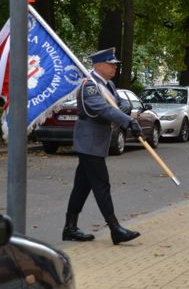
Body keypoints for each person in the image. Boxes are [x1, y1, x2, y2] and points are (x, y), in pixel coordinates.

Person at [63, 48, 143, 245]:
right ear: (98, 65)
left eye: (115, 63)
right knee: (101, 184)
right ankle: (115, 229)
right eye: (111, 63)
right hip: (89, 140)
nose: (115, 66)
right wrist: (127, 121)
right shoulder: (89, 85)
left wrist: (124, 108)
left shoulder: (108, 84)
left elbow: (119, 103)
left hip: (97, 141)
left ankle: (70, 228)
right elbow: (101, 107)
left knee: (82, 186)